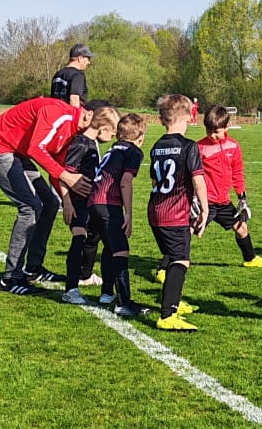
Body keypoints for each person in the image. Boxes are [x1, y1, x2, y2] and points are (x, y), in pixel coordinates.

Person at [0, 91, 94, 293]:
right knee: (30, 207)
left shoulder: (74, 131)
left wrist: (66, 200)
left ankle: (33, 269)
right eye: (103, 132)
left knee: (50, 204)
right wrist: (66, 176)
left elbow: (55, 165)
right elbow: (36, 150)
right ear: (88, 116)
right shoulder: (59, 115)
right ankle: (11, 279)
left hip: (15, 152)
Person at [148, 93, 208, 330]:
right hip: (175, 213)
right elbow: (198, 179)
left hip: (155, 211)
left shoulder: (156, 146)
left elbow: (155, 181)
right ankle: (167, 314)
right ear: (188, 117)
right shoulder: (189, 146)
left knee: (173, 258)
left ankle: (175, 300)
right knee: (181, 261)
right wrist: (204, 208)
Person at [57, 105, 119, 303]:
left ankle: (85, 275)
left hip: (90, 200)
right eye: (113, 132)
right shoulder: (81, 144)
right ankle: (71, 290)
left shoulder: (91, 143)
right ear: (103, 128)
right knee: (79, 238)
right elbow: (62, 174)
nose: (113, 137)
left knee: (96, 236)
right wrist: (66, 202)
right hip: (77, 202)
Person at [197, 105, 262, 267]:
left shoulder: (233, 146)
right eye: (208, 131)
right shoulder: (199, 148)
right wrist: (194, 198)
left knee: (241, 228)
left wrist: (242, 198)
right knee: (186, 233)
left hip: (223, 202)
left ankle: (250, 259)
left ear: (226, 127)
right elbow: (192, 176)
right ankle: (165, 267)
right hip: (206, 202)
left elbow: (237, 173)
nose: (212, 135)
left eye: (216, 131)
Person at [88, 112, 146, 315]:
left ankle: (106, 293)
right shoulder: (134, 152)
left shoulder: (112, 149)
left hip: (93, 202)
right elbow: (125, 182)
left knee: (110, 247)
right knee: (121, 249)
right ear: (141, 138)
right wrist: (128, 213)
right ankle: (124, 302)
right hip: (108, 203)